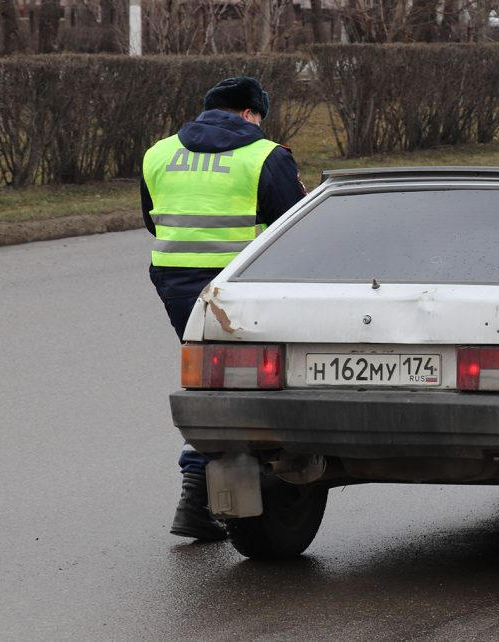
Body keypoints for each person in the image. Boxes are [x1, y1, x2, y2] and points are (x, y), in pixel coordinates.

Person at [141, 76, 307, 540]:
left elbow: (150, 215)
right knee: (249, 388)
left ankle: (199, 497)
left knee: (212, 384)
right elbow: (294, 227)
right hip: (242, 285)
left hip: (176, 282)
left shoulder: (159, 152)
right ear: (252, 113)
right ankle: (206, 491)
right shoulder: (266, 155)